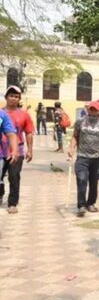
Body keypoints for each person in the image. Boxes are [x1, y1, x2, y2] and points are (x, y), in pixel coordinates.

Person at [68, 100, 99, 217]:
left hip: (97, 158)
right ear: (88, 109)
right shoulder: (80, 122)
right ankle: (81, 205)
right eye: (91, 109)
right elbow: (75, 136)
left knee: (93, 182)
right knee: (82, 179)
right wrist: (71, 148)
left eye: (95, 109)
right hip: (82, 157)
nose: (92, 111)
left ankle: (91, 203)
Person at [0, 86, 34, 214]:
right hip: (1, 150)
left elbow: (29, 132)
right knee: (0, 177)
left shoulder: (24, 115)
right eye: (11, 96)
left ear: (19, 99)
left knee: (14, 176)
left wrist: (30, 150)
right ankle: (0, 193)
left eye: (16, 96)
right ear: (6, 97)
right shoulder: (1, 113)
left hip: (17, 150)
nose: (13, 98)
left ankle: (12, 203)